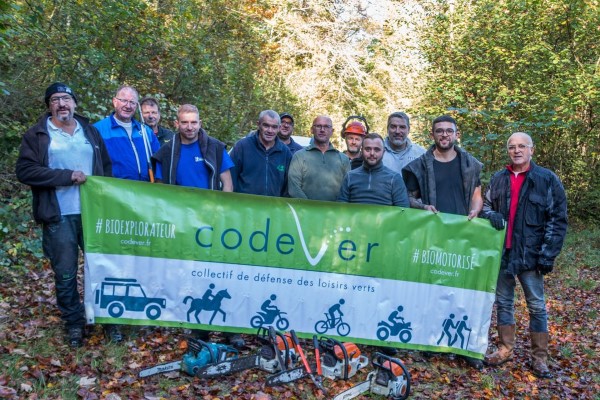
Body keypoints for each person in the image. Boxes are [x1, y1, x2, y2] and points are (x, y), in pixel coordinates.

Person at [16, 82, 112, 347]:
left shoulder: (89, 132)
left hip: (93, 213)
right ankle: (74, 323)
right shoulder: (37, 135)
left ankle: (107, 319)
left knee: (102, 267)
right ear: (49, 105)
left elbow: (105, 168)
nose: (62, 104)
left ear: (75, 104)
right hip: (59, 214)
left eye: (66, 99)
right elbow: (25, 171)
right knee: (66, 272)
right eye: (56, 99)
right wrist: (66, 176)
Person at [481, 132, 567, 378]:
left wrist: (548, 255)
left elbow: (557, 219)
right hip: (503, 255)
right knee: (504, 303)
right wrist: (491, 215)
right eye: (512, 147)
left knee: (537, 306)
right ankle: (505, 348)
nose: (516, 150)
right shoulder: (498, 179)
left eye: (521, 146)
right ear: (507, 150)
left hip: (532, 255)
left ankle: (539, 357)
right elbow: (485, 206)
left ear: (532, 149)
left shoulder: (546, 179)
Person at [402, 115, 484, 369]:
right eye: (440, 131)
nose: (445, 135)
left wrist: (475, 212)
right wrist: (422, 206)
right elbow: (407, 198)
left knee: (462, 290)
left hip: (462, 237)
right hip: (431, 237)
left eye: (449, 131)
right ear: (432, 135)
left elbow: (477, 196)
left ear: (456, 134)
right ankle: (428, 341)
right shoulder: (419, 166)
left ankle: (462, 345)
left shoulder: (470, 164)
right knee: (430, 288)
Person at [152, 104, 233, 191]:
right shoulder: (166, 152)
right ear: (177, 124)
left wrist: (219, 204)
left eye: (194, 122)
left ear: (200, 123)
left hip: (209, 203)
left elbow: (228, 185)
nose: (190, 127)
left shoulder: (216, 148)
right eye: (184, 122)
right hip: (177, 203)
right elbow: (160, 187)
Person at [94, 85, 160, 181]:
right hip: (113, 191)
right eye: (124, 101)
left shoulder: (146, 131)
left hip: (145, 191)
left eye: (132, 102)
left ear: (137, 106)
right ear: (115, 102)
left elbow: (158, 161)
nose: (128, 106)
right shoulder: (98, 130)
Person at [229, 110, 292, 196]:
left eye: (274, 127)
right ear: (258, 124)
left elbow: (287, 187)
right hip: (243, 206)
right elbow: (230, 180)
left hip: (273, 207)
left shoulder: (285, 152)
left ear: (279, 128)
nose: (270, 130)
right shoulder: (242, 146)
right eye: (266, 125)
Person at [288, 115, 350, 201]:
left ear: (332, 131)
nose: (322, 130)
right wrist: (310, 209)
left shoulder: (343, 159)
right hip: (306, 212)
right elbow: (293, 188)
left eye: (326, 126)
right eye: (318, 126)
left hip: (335, 212)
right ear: (312, 130)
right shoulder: (299, 156)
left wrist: (336, 210)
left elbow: (347, 190)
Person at [338, 133, 409, 207]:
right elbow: (341, 209)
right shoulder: (350, 177)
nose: (372, 153)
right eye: (368, 149)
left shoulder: (394, 179)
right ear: (362, 150)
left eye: (377, 149)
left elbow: (403, 211)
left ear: (383, 152)